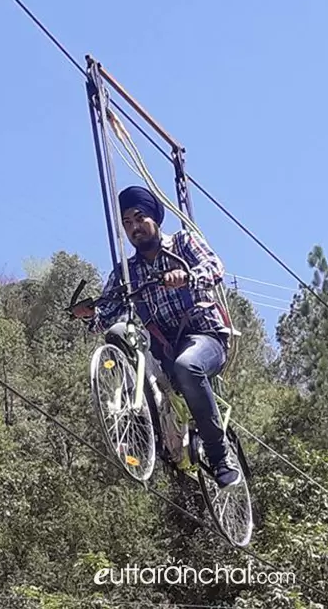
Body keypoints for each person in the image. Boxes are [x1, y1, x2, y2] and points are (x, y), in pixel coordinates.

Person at [71, 185, 243, 488]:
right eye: (127, 223)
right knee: (118, 333)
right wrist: (90, 315)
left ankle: (220, 455)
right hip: (165, 348)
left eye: (139, 218)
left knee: (187, 366)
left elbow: (215, 267)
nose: (135, 227)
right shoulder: (128, 271)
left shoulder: (181, 242)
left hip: (205, 337)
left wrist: (187, 276)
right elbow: (108, 311)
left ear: (154, 217)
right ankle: (141, 424)